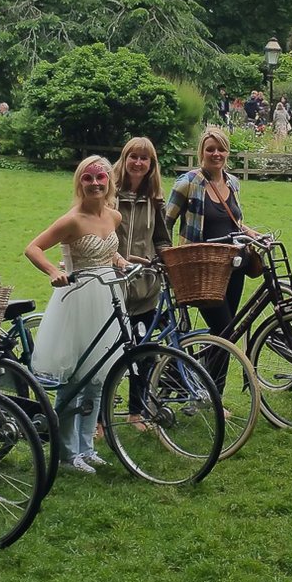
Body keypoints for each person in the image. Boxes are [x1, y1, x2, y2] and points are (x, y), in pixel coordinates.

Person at [25, 156, 131, 473]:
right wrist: (51, 272)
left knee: (98, 378)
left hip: (107, 297)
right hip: (77, 299)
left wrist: (120, 261)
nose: (95, 184)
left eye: (101, 178)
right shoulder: (72, 220)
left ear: (109, 181)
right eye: (88, 178)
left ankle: (87, 445)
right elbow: (33, 248)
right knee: (74, 378)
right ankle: (67, 452)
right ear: (80, 183)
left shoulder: (114, 216)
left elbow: (106, 249)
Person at [164, 127, 261, 392]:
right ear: (202, 153)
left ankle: (205, 389)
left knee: (225, 333)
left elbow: (235, 223)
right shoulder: (189, 182)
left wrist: (254, 234)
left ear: (227, 153)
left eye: (221, 149)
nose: (216, 154)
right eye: (210, 149)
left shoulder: (232, 183)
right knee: (225, 330)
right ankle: (189, 379)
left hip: (234, 266)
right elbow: (165, 223)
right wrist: (168, 257)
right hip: (202, 269)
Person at [111, 137, 172, 428]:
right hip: (111, 286)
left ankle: (136, 411)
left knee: (143, 352)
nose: (138, 163)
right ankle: (99, 417)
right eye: (133, 157)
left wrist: (166, 261)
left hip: (145, 287)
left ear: (151, 165)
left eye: (144, 159)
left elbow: (161, 238)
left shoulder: (155, 199)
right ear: (124, 159)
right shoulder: (108, 193)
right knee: (109, 354)